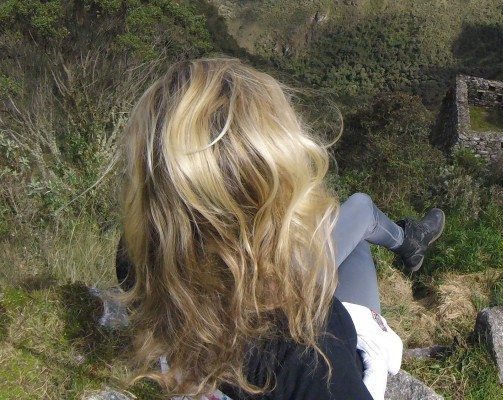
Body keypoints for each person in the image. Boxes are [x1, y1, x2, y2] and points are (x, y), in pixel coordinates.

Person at [115, 57, 445, 400]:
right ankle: (412, 243)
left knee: (353, 218)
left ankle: (411, 242)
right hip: (341, 363)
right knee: (359, 213)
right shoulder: (303, 345)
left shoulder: (139, 260)